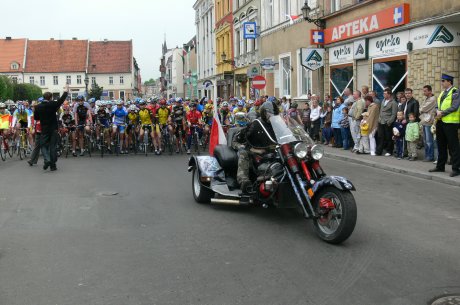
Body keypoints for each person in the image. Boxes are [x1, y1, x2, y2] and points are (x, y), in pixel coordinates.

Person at [233, 99, 278, 193]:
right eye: (268, 113)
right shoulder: (254, 126)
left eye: (272, 113)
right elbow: (237, 140)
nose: (271, 115)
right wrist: (246, 146)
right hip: (254, 152)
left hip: (271, 151)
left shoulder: (276, 125)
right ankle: (244, 181)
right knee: (243, 153)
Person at [429, 74, 460, 177]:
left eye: (443, 81)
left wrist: (442, 112)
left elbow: (455, 107)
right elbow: (438, 105)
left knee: (453, 146)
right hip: (441, 122)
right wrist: (437, 110)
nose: (441, 83)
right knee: (441, 145)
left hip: (451, 123)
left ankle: (456, 169)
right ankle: (440, 166)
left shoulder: (455, 91)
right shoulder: (442, 93)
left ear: (449, 82)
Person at [33, 84, 69, 171]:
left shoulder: (38, 107)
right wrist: (66, 91)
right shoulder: (53, 104)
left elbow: (36, 118)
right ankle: (53, 165)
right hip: (53, 128)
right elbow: (61, 100)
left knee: (43, 145)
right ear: (51, 97)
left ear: (43, 97)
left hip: (44, 129)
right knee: (53, 146)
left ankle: (47, 159)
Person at [376, 88, 398, 156]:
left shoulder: (393, 102)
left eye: (385, 93)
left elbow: (394, 114)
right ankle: (379, 151)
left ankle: (389, 151)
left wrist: (389, 122)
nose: (383, 95)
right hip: (381, 121)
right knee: (380, 136)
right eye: (383, 93)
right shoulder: (383, 101)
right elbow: (381, 110)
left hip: (387, 122)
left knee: (388, 137)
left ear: (389, 94)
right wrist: (379, 119)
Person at [419, 85, 437, 162]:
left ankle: (430, 156)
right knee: (425, 140)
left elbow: (423, 108)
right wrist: (421, 109)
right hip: (424, 121)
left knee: (429, 141)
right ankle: (427, 156)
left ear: (430, 91)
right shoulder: (426, 99)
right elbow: (420, 108)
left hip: (429, 122)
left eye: (425, 91)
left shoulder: (432, 99)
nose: (424, 92)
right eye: (423, 90)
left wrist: (422, 109)